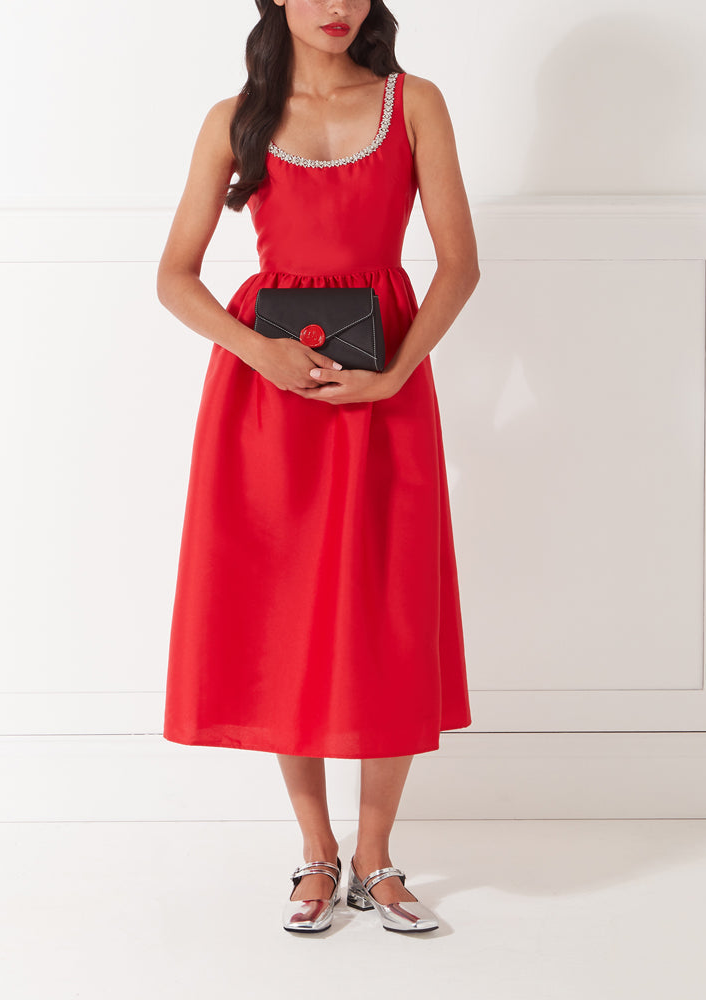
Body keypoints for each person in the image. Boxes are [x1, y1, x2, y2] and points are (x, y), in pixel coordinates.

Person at [157, 0, 479, 933]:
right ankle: (316, 851)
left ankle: (377, 857)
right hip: (268, 401)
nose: (337, 6)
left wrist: (395, 377)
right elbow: (174, 274)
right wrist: (257, 353)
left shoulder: (413, 102)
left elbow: (458, 263)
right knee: (282, 614)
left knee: (386, 610)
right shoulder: (237, 117)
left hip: (384, 393)